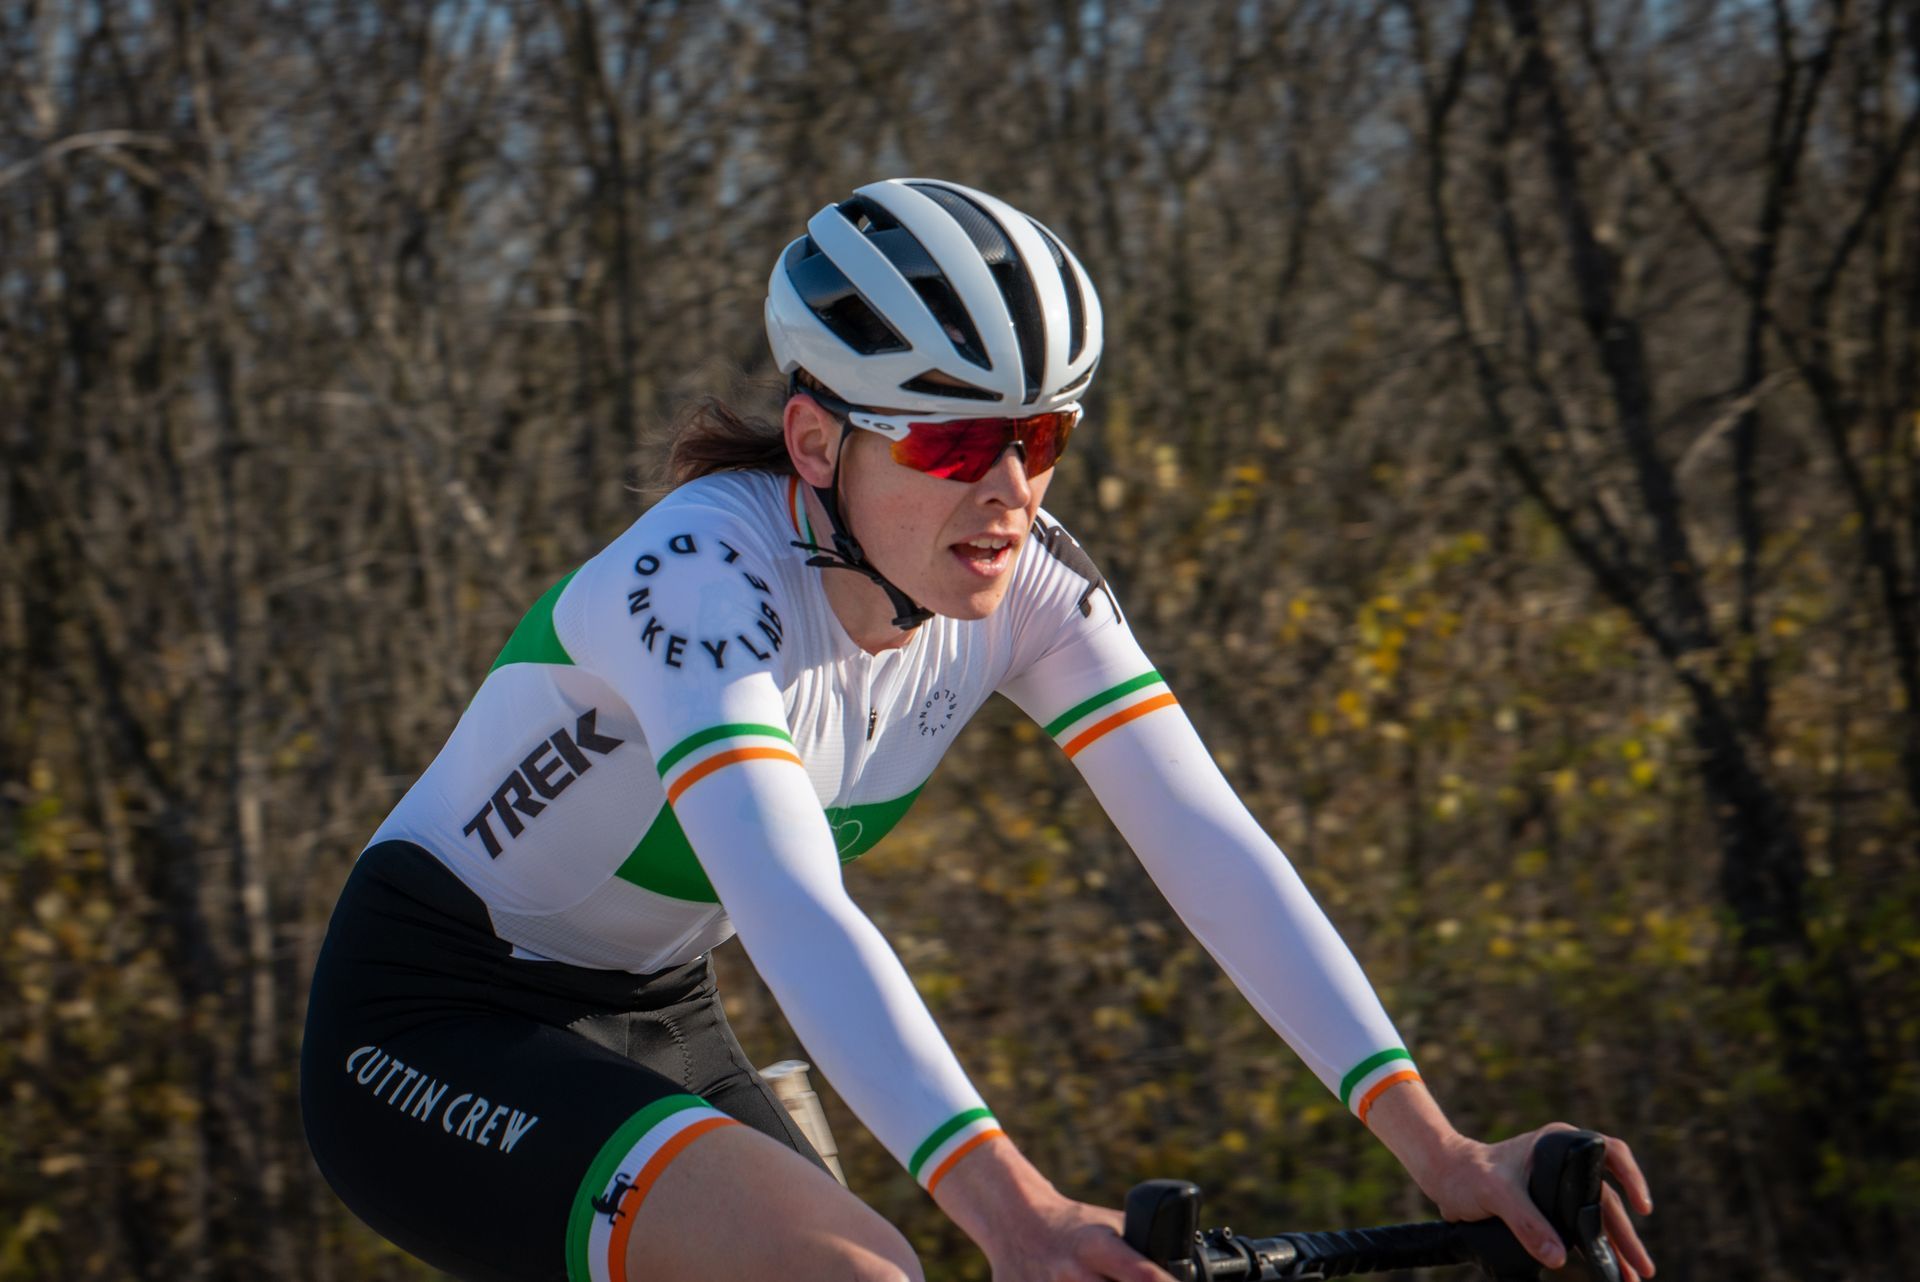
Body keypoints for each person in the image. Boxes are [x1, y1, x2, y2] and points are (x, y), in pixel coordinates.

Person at [300, 178, 1655, 1282]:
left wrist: (1441, 1150)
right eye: (951, 446)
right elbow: (797, 909)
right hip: (434, 1019)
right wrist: (1015, 1208)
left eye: (1041, 438)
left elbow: (1211, 846)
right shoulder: (699, 586)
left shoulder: (1030, 585)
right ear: (815, 443)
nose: (1008, 493)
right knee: (855, 1274)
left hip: (661, 1005)